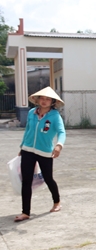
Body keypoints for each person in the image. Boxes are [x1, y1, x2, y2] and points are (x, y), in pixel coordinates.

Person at [14, 87, 66, 222]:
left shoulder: (55, 116)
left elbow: (62, 132)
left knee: (48, 178)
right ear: (37, 100)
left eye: (47, 99)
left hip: (45, 152)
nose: (44, 101)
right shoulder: (31, 112)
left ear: (52, 102)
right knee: (26, 181)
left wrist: (59, 146)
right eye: (42, 98)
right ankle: (25, 212)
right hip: (28, 151)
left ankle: (57, 202)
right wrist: (22, 146)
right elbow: (27, 130)